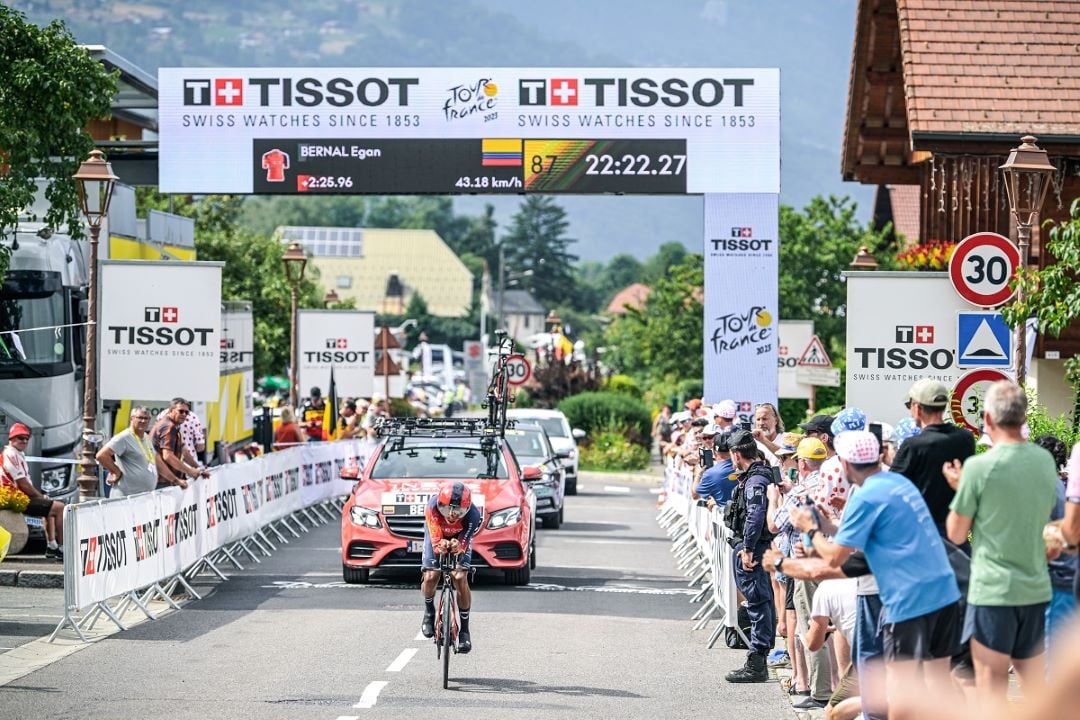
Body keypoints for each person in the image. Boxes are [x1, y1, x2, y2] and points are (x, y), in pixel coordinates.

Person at [790, 431, 962, 720]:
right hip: (943, 591)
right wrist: (826, 527)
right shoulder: (898, 483)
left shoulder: (866, 495)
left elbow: (835, 556)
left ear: (844, 463)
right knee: (936, 683)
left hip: (908, 600)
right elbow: (852, 539)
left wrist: (809, 529)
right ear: (879, 457)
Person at [943, 381, 1058, 710]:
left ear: (988, 419)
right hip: (1035, 587)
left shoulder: (979, 468)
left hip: (993, 590)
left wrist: (961, 489)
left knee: (990, 684)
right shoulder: (1043, 461)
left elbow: (955, 532)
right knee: (1033, 684)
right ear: (1022, 417)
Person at [769, 436, 832, 708]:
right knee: (838, 627)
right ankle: (841, 688)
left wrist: (774, 498)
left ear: (802, 462)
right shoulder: (833, 482)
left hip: (806, 564)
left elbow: (775, 525)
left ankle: (819, 692)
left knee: (811, 625)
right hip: (836, 560)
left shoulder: (798, 492)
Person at [723, 428, 777, 683]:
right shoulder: (756, 476)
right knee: (761, 602)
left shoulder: (755, 481)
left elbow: (754, 516)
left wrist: (746, 548)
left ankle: (757, 663)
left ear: (736, 454)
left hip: (754, 551)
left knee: (757, 603)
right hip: (756, 548)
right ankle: (759, 657)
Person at [890, 378, 975, 532]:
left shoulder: (914, 445)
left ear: (917, 408)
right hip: (957, 530)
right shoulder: (965, 438)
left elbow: (890, 488)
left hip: (923, 534)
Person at [420, 481, 483, 653]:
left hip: (460, 535)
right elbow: (436, 543)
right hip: (437, 532)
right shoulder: (432, 507)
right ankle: (429, 611)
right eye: (447, 509)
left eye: (459, 511)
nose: (452, 515)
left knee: (460, 576)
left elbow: (464, 541)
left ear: (467, 509)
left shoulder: (473, 515)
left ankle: (464, 630)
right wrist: (440, 544)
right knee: (431, 576)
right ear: (439, 504)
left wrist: (459, 546)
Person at [1033, 434, 1076, 657]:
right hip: (1070, 578)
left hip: (1056, 580)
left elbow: (1047, 542)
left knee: (1052, 656)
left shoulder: (1046, 491)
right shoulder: (1066, 489)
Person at [1, 423, 65, 560]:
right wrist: (41, 496)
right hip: (14, 498)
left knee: (48, 508)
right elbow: (24, 484)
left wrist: (42, 498)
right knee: (60, 508)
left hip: (15, 496)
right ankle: (63, 547)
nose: (24, 441)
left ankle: (52, 546)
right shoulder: (11, 454)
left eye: (26, 438)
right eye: (20, 438)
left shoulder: (16, 453)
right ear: (11, 439)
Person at [97, 407, 158, 498]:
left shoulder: (146, 437)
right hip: (126, 497)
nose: (143, 421)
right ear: (131, 418)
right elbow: (101, 455)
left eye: (146, 418)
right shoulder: (124, 437)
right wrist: (115, 471)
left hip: (143, 497)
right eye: (140, 418)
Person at [151, 398, 208, 488]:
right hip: (164, 480)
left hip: (167, 479)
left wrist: (198, 468)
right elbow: (168, 456)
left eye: (187, 412)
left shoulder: (173, 425)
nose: (184, 415)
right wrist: (189, 471)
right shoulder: (169, 426)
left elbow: (183, 450)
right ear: (171, 410)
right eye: (181, 411)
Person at [694, 430, 737, 506]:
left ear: (714, 451)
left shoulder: (711, 473)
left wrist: (698, 474)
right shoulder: (745, 465)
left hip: (726, 515)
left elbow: (695, 495)